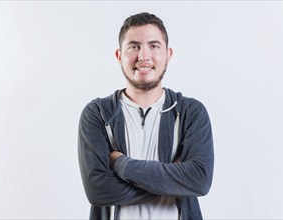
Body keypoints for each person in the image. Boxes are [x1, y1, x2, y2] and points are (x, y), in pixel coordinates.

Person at [78, 12, 214, 220]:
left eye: (153, 46)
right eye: (133, 46)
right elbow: (99, 191)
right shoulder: (98, 114)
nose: (143, 56)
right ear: (119, 55)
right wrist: (173, 179)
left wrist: (120, 163)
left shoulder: (190, 112)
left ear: (168, 54)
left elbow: (199, 180)